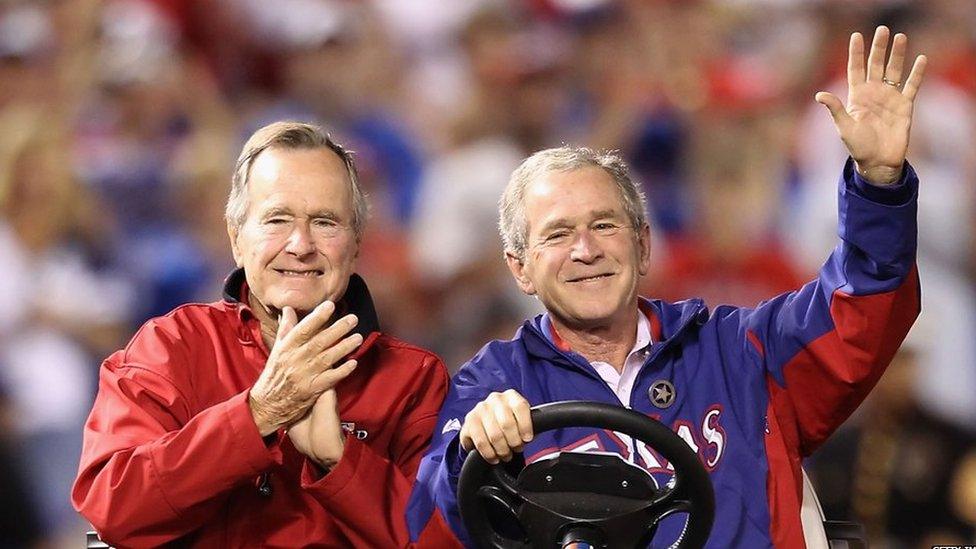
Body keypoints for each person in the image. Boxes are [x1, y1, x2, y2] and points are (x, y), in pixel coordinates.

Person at [407, 27, 926, 547]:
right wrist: (471, 450)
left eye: (605, 225)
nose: (586, 249)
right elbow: (432, 519)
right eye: (558, 234)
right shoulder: (491, 386)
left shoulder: (742, 353)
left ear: (644, 245)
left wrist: (878, 184)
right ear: (519, 268)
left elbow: (862, 306)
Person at [73, 121, 460, 548]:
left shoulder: (413, 380)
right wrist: (257, 415)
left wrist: (340, 462)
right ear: (236, 238)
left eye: (325, 222)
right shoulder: (170, 348)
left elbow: (444, 541)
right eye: (277, 219)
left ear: (355, 246)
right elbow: (112, 509)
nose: (301, 244)